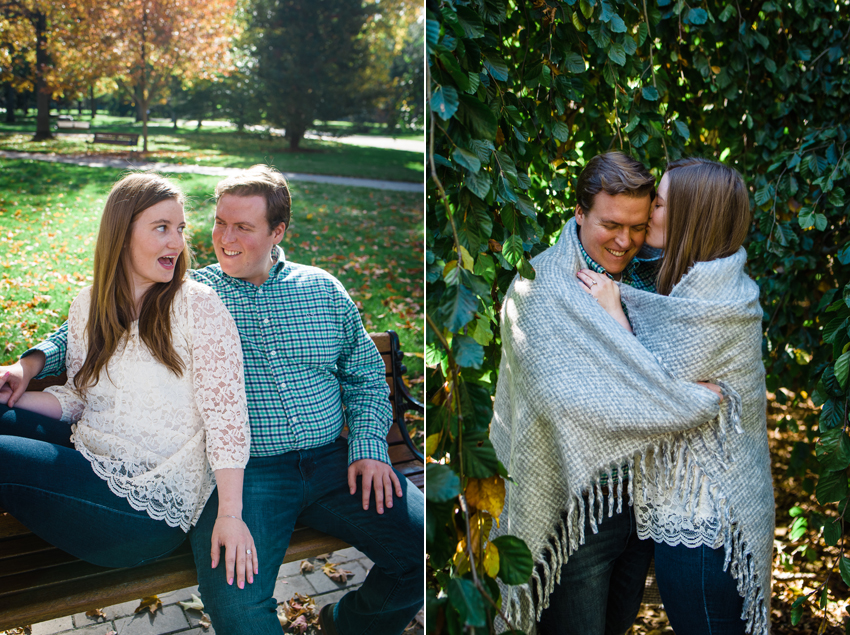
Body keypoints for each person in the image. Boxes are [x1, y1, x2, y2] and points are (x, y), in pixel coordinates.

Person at [1, 165, 424, 635]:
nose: (223, 238)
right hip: (249, 475)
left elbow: (365, 375)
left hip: (331, 461)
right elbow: (95, 325)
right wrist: (31, 363)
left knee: (425, 552)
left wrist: (368, 446)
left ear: (277, 231)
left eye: (242, 227)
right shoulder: (187, 291)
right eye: (219, 222)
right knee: (238, 610)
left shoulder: (321, 291)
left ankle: (342, 625)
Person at [489, 151, 731, 635]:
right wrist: (681, 397)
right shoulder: (540, 288)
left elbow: (698, 365)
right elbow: (567, 406)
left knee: (617, 625)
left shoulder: (656, 277)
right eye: (610, 225)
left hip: (644, 506)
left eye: (638, 226)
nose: (624, 241)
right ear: (580, 213)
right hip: (577, 514)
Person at [0, 173, 254, 587]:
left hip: (146, 511)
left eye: (180, 229)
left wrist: (230, 515)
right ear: (122, 233)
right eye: (161, 228)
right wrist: (16, 395)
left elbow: (227, 421)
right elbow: (79, 398)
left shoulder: (198, 307)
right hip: (90, 460)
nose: (177, 242)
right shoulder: (89, 304)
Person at [577, 158, 773, 635]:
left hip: (706, 522)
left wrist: (615, 312)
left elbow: (651, 397)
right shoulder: (690, 289)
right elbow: (670, 389)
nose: (647, 213)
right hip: (684, 514)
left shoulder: (715, 305)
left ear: (689, 217)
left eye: (659, 204)